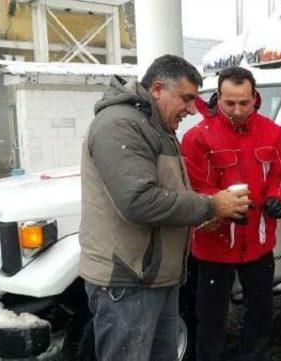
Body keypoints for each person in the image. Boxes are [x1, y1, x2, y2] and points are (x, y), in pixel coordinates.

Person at [79, 55, 251, 361]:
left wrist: (201, 218)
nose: (192, 109)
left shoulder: (156, 126)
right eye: (186, 99)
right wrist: (210, 205)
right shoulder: (120, 124)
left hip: (157, 277)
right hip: (129, 282)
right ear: (158, 88)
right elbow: (139, 201)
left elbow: (167, 193)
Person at [181, 66, 281, 361]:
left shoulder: (274, 133)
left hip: (258, 242)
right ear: (218, 98)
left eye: (244, 102)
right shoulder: (197, 137)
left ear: (255, 98)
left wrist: (277, 199)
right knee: (210, 319)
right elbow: (197, 187)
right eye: (229, 103)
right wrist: (222, 208)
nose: (237, 110)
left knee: (260, 313)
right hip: (214, 246)